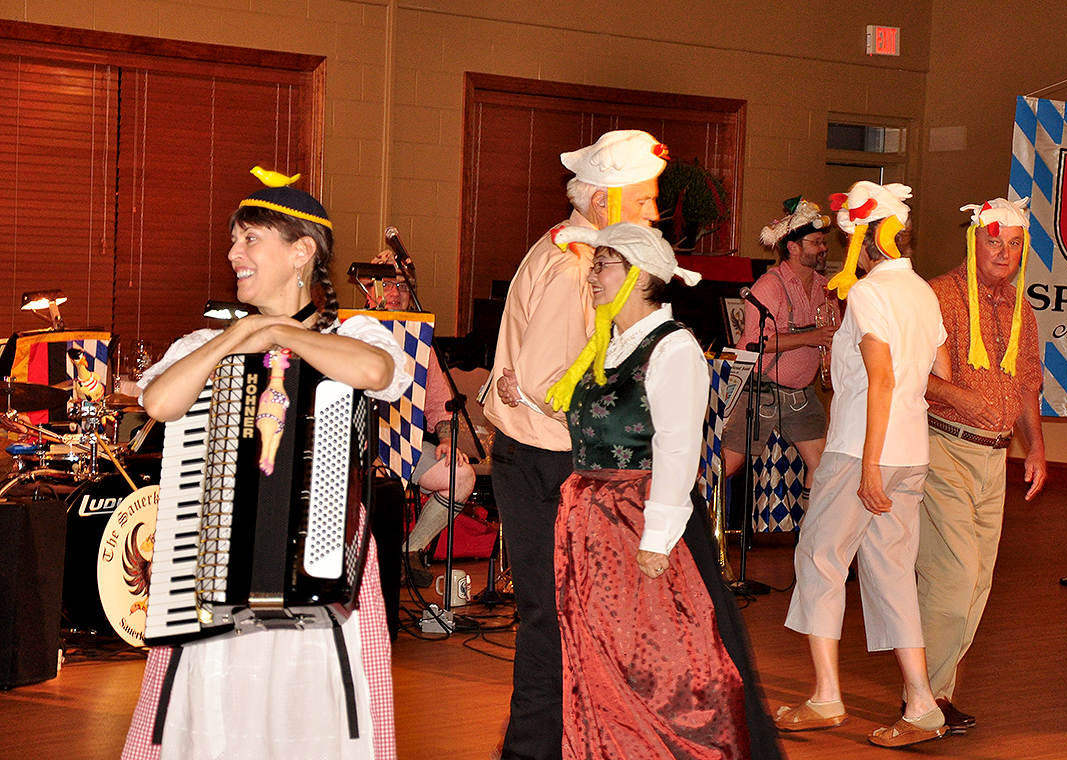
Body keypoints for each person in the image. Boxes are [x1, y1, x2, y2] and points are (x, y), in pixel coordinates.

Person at [121, 174, 412, 760]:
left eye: (250, 239)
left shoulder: (352, 333)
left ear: (302, 251)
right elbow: (160, 403)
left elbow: (377, 375)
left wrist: (280, 331)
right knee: (216, 713)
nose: (234, 254)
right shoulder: (206, 342)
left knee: (311, 715)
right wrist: (237, 337)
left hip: (321, 566)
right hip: (216, 560)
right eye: (234, 241)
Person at [545, 221, 784, 759]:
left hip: (638, 516)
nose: (593, 277)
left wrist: (656, 538)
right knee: (598, 651)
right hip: (590, 520)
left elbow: (678, 446)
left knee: (654, 656)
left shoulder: (673, 349)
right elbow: (595, 428)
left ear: (642, 276)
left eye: (603, 265)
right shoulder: (606, 342)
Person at [482, 129, 667, 760]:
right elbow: (541, 387)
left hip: (540, 458)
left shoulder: (575, 256)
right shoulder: (573, 267)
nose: (654, 214)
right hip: (547, 461)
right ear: (604, 204)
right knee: (554, 623)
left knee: (561, 619)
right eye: (644, 201)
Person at [776, 181, 950, 748]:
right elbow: (937, 371)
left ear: (869, 239)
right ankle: (922, 703)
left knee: (820, 558)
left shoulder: (872, 293)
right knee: (893, 571)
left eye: (851, 235)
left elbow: (882, 378)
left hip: (861, 449)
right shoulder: (924, 292)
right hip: (912, 451)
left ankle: (827, 696)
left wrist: (870, 464)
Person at [915, 197, 1047, 732]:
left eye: (1014, 244)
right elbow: (905, 375)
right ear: (974, 241)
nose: (1004, 252)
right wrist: (962, 398)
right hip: (944, 446)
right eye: (995, 240)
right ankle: (923, 696)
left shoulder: (1022, 309)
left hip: (995, 459)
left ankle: (935, 691)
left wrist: (1034, 445)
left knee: (978, 582)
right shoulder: (938, 296)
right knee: (952, 578)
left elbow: (1027, 383)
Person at [362, 251, 477, 587]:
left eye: (401, 285)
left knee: (462, 477)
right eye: (385, 284)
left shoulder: (419, 344)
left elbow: (441, 403)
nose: (394, 292)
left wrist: (445, 439)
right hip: (360, 450)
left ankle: (408, 551)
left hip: (406, 445)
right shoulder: (351, 331)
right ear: (369, 290)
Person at [721, 197, 838, 502]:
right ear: (793, 248)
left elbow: (833, 334)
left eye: (823, 242)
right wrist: (810, 337)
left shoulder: (827, 288)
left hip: (801, 396)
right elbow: (754, 345)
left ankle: (811, 538)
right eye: (815, 242)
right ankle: (695, 518)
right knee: (727, 465)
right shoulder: (768, 287)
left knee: (822, 464)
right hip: (759, 392)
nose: (823, 248)